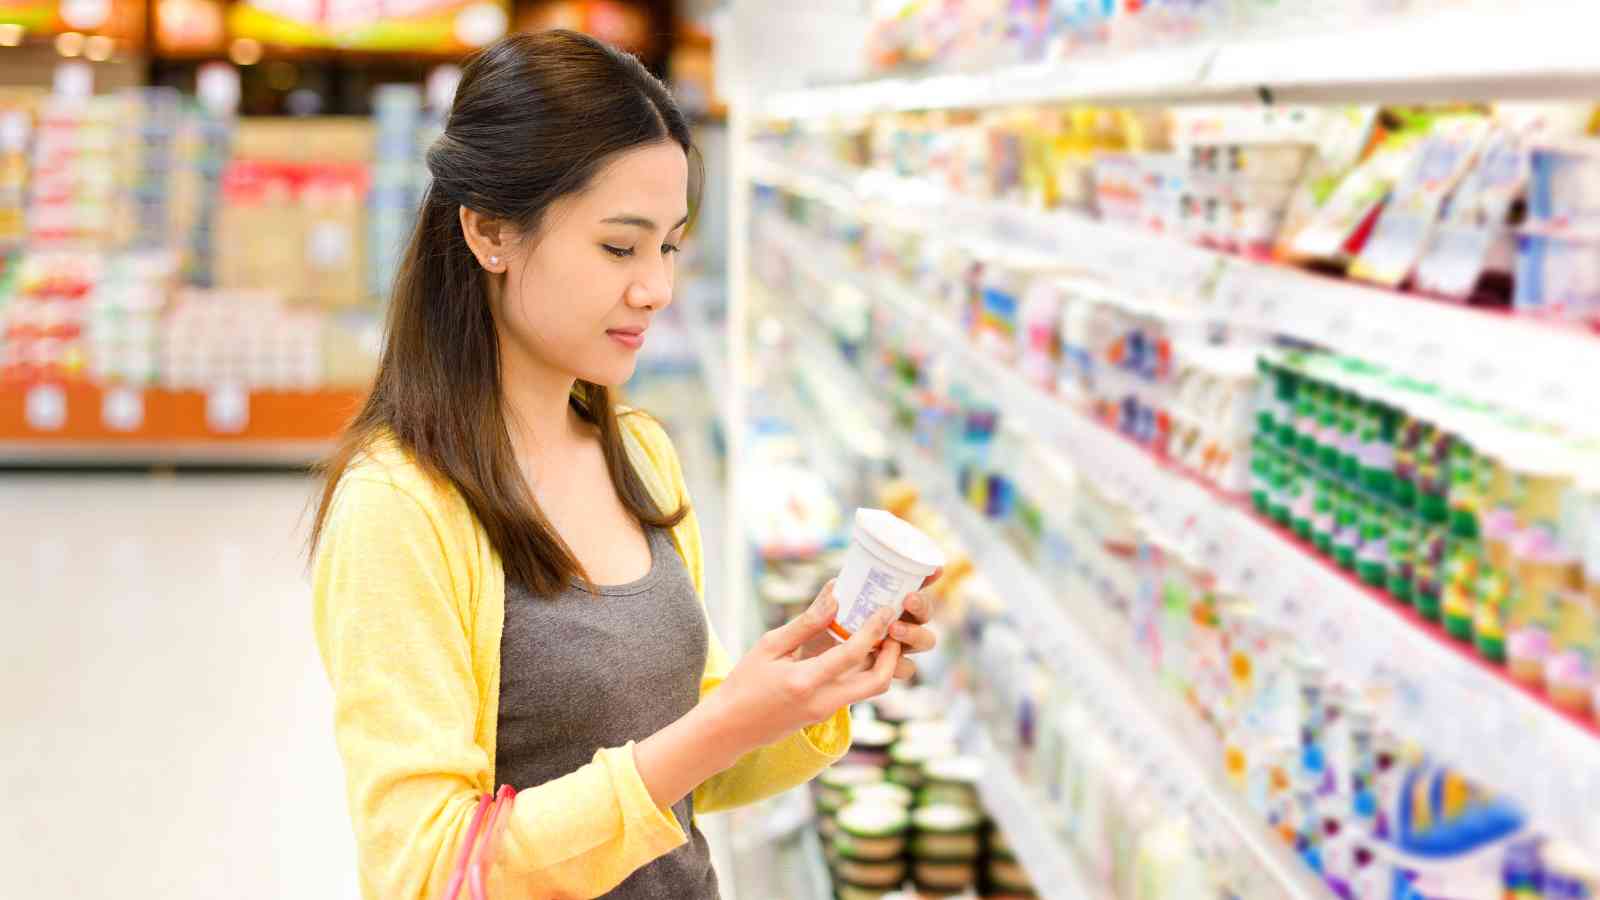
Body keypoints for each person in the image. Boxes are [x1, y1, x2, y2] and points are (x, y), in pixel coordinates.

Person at [308, 30, 939, 900]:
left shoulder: (636, 448)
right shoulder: (401, 508)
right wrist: (716, 729)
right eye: (619, 247)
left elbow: (686, 772)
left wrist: (813, 682)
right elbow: (426, 870)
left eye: (670, 246)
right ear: (490, 230)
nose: (656, 288)